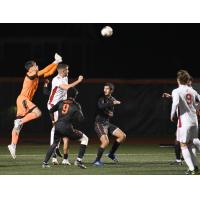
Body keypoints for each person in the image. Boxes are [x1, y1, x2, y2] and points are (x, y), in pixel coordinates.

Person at [8, 53, 62, 159]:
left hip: (22, 100)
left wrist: (57, 63)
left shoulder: (35, 74)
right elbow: (44, 70)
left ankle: (13, 145)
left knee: (17, 127)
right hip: (23, 99)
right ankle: (20, 122)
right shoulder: (31, 73)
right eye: (35, 64)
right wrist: (55, 62)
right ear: (31, 68)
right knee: (37, 113)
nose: (37, 65)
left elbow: (49, 71)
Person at [45, 64, 83, 165]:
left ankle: (58, 152)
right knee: (55, 128)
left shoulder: (65, 77)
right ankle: (54, 153)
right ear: (62, 71)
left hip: (62, 105)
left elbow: (67, 89)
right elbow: (66, 87)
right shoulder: (56, 79)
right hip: (54, 106)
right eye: (67, 70)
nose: (68, 71)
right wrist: (78, 81)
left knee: (62, 128)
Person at [42, 87, 88, 169]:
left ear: (67, 94)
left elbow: (51, 111)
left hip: (58, 126)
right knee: (85, 139)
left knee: (54, 144)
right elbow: (81, 119)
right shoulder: (76, 105)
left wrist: (53, 121)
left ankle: (45, 163)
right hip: (67, 128)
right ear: (75, 96)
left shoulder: (61, 102)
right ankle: (78, 161)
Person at [171, 70, 200, 174]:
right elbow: (198, 102)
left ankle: (192, 169)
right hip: (194, 120)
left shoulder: (176, 91)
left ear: (178, 79)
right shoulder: (192, 90)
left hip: (185, 121)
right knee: (191, 144)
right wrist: (196, 108)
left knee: (183, 145)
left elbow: (175, 104)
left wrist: (172, 115)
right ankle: (195, 166)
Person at [93, 83, 126, 166]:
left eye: (107, 89)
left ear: (111, 90)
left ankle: (111, 154)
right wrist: (112, 104)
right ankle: (97, 161)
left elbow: (111, 114)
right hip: (99, 123)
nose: (105, 90)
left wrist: (110, 111)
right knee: (105, 142)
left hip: (107, 123)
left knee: (122, 136)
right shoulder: (101, 98)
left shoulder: (112, 99)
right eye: (104, 88)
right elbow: (100, 106)